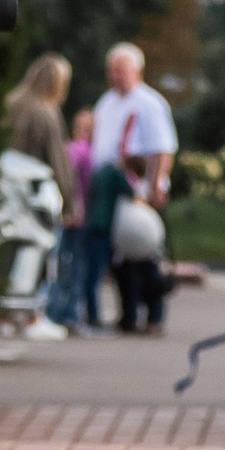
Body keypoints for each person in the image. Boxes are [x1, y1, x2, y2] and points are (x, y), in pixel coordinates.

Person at [88, 40, 177, 333]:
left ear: (137, 70)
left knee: (146, 252)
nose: (115, 76)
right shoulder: (106, 102)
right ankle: (128, 313)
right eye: (112, 70)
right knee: (121, 257)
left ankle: (154, 314)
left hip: (139, 188)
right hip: (113, 190)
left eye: (121, 70)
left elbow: (162, 148)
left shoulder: (149, 103)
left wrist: (155, 187)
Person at [0, 55, 73, 341]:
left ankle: (4, 315)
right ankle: (31, 316)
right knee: (40, 255)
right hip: (36, 196)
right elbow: (58, 161)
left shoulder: (11, 102)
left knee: (10, 254)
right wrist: (69, 200)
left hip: (7, 194)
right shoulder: (45, 111)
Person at [62, 102, 102, 325]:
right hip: (79, 216)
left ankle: (68, 311)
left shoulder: (73, 148)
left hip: (77, 214)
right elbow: (73, 181)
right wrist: (75, 206)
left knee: (69, 264)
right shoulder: (79, 150)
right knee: (76, 266)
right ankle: (70, 313)